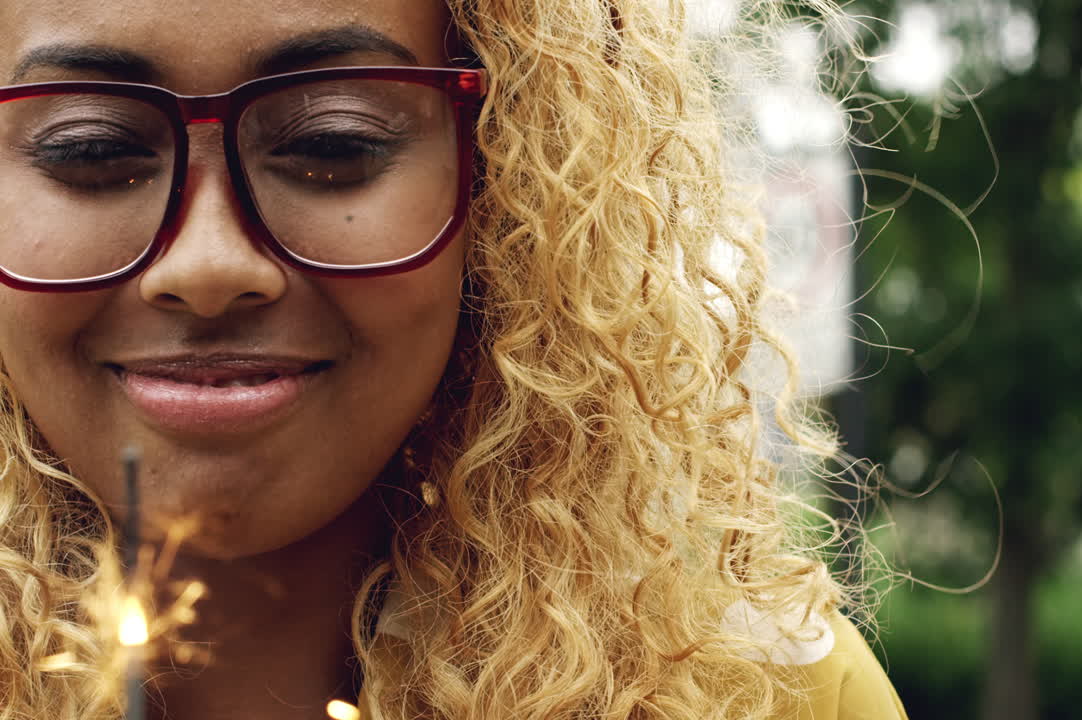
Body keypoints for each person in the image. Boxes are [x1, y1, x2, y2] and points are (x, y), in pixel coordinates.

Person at [0, 0, 907, 718]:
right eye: (93, 150)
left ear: (506, 182)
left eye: (333, 144)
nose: (207, 265)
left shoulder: (771, 698)